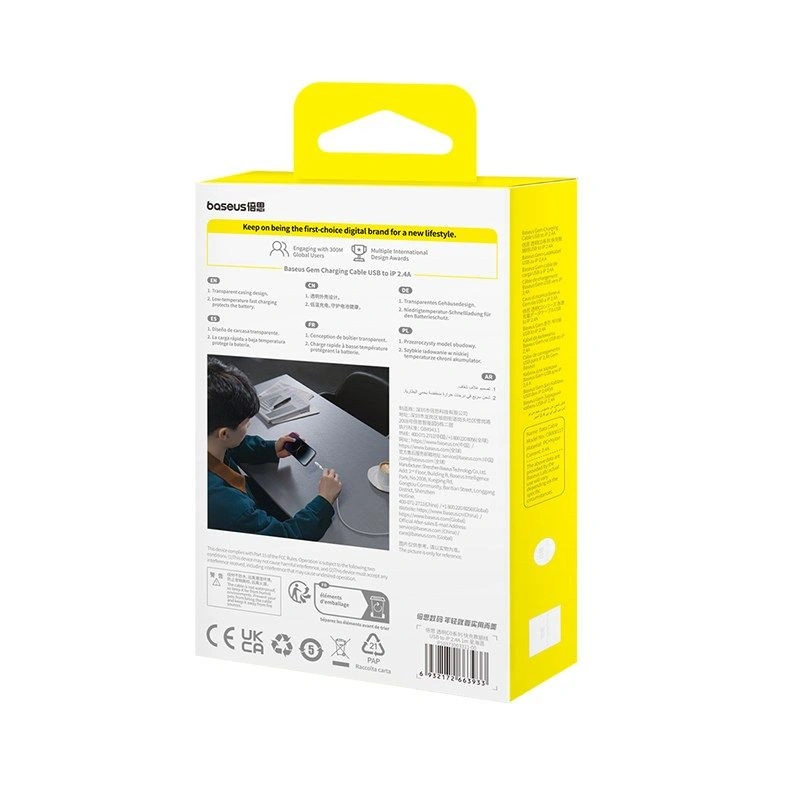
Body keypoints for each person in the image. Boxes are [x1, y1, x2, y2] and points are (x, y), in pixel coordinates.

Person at [207, 357, 342, 540]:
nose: (249, 426)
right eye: (246, 423)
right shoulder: (229, 504)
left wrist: (270, 449)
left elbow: (233, 447)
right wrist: (324, 500)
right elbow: (286, 537)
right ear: (223, 433)